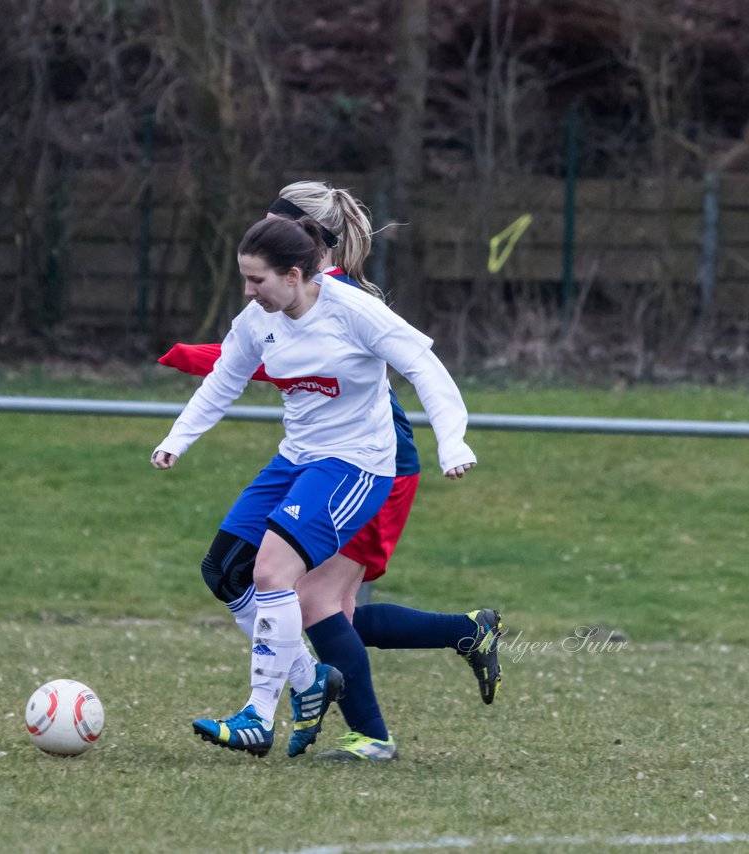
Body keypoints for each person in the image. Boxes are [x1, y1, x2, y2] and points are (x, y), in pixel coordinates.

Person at [159, 182, 503, 761]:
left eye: (280, 226)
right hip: (312, 458)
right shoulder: (271, 305)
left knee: (310, 601)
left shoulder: (342, 302)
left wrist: (454, 442)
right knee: (302, 601)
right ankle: (462, 631)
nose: (267, 239)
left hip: (373, 463)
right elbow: (253, 357)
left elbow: (414, 367)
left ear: (304, 253)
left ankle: (364, 733)